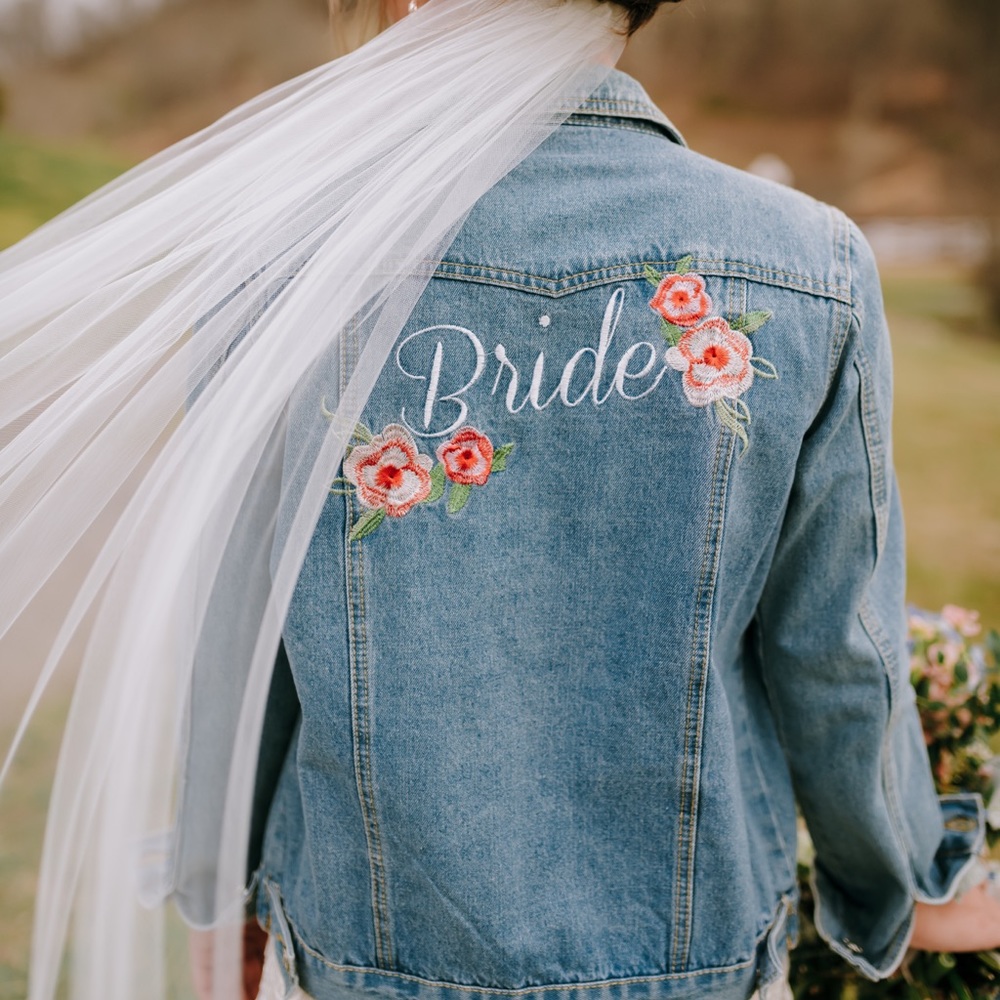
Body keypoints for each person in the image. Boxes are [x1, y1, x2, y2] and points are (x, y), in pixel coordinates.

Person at [2, 1, 1000, 1000]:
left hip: (361, 966)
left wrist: (230, 894)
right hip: (697, 973)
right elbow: (835, 657)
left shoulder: (282, 270)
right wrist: (898, 881)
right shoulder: (804, 269)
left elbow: (239, 645)